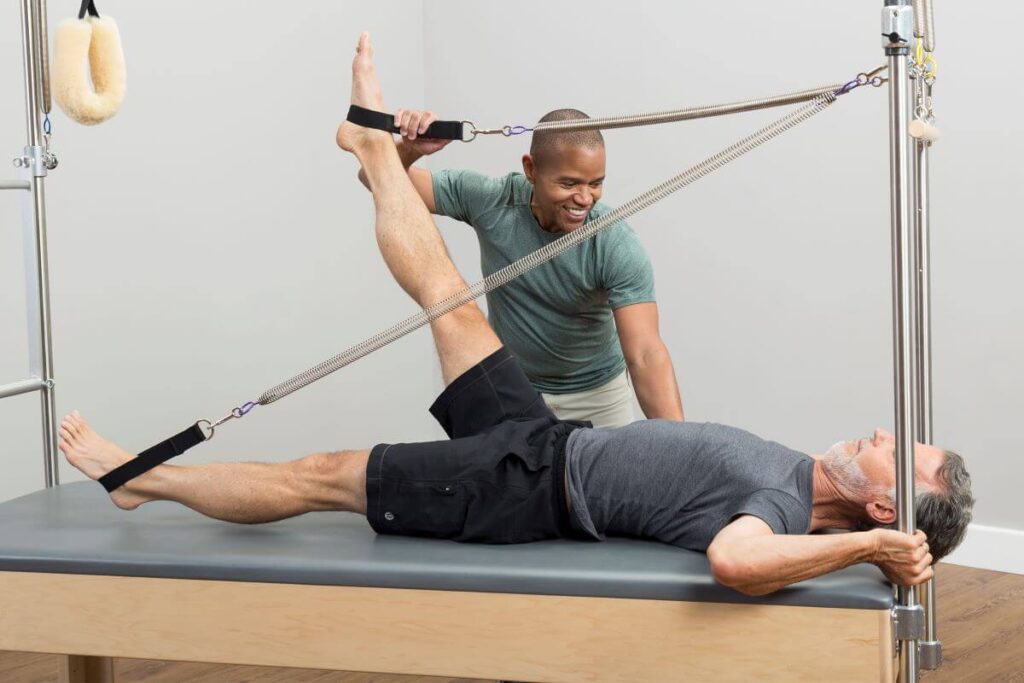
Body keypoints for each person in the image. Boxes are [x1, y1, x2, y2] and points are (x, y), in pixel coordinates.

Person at [59, 33, 973, 597]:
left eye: (904, 448)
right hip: (545, 436)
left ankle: (142, 476)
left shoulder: (782, 510)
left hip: (526, 483)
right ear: (532, 173)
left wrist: (864, 550)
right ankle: (371, 140)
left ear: (886, 502)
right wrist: (391, 156)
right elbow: (427, 200)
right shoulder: (795, 476)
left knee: (323, 474)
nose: (884, 429)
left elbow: (734, 561)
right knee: (447, 294)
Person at [355, 76, 683, 428]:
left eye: (596, 183)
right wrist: (411, 149)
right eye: (569, 183)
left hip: (598, 397)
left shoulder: (614, 243)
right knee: (497, 483)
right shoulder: (491, 200)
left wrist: (684, 450)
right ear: (531, 169)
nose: (585, 198)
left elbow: (646, 354)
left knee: (618, 483)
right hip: (516, 392)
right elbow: (374, 179)